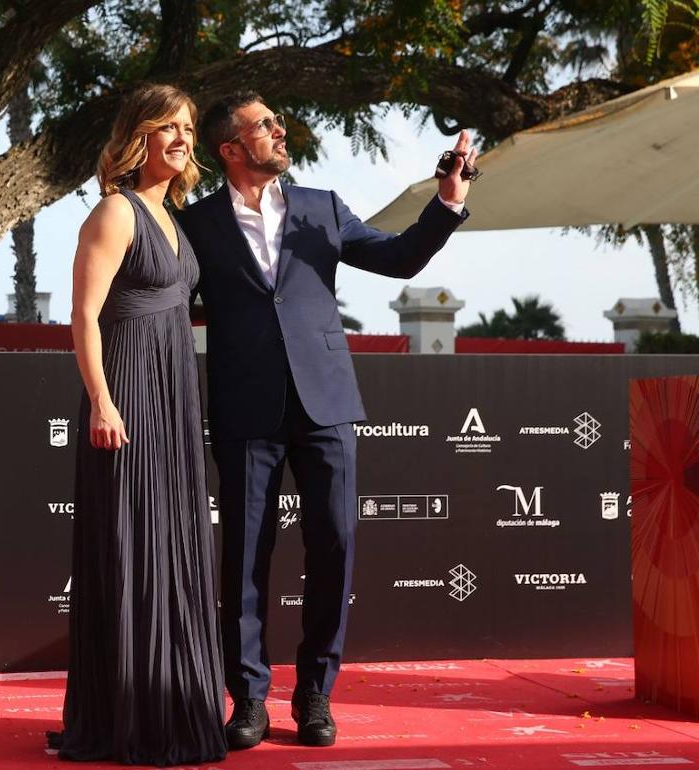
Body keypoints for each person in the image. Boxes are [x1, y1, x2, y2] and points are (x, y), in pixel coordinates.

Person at [176, 91, 475, 749]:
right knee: (245, 557)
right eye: (265, 125)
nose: (282, 129)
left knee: (334, 544)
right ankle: (248, 699)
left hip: (327, 404)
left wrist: (447, 200)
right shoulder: (194, 225)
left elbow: (398, 257)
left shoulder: (322, 207)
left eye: (281, 120)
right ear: (230, 148)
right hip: (244, 404)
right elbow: (164, 298)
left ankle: (315, 695)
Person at [49, 83, 227, 766]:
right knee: (131, 547)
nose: (183, 139)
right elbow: (84, 316)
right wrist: (101, 400)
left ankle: (172, 707)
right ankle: (127, 714)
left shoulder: (175, 219)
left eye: (187, 127)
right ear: (138, 138)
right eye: (169, 128)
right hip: (126, 394)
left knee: (173, 546)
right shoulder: (116, 213)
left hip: (176, 393)